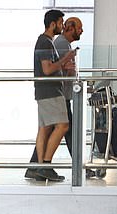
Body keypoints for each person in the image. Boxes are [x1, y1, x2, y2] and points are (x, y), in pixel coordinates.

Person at [26, 15, 83, 178]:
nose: (62, 26)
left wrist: (63, 65)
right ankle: (45, 165)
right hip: (51, 92)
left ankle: (37, 167)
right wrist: (65, 59)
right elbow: (47, 70)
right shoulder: (46, 42)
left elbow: (51, 68)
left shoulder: (48, 42)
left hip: (46, 91)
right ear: (53, 24)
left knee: (45, 128)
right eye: (60, 23)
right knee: (63, 126)